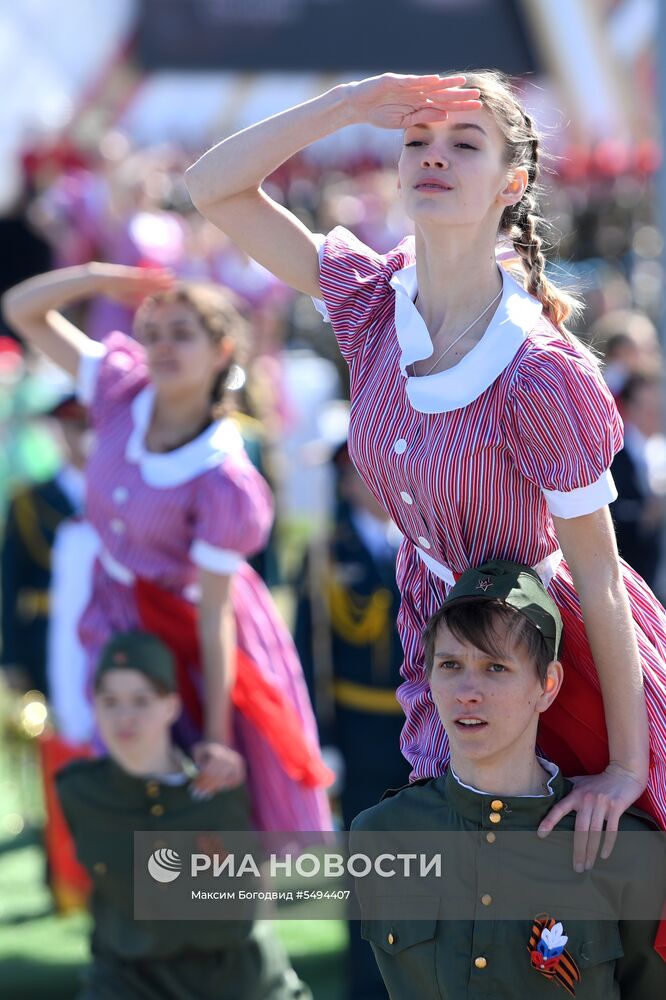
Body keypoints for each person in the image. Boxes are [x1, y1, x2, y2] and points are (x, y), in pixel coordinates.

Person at [184, 71, 666, 863]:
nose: (433, 157)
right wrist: (346, 104)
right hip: (439, 651)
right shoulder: (376, 301)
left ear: (513, 181)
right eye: (417, 142)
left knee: (565, 941)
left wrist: (623, 766)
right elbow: (212, 188)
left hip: (550, 659)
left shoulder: (540, 370)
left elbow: (601, 576)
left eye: (463, 144)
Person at [2, 265, 332, 832]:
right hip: (112, 608)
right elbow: (22, 309)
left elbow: (213, 615)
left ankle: (227, 916)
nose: (161, 347)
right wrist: (101, 277)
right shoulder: (120, 385)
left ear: (221, 350)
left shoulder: (223, 476)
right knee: (124, 790)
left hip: (190, 623)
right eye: (153, 333)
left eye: (182, 334)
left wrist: (217, 735)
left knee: (206, 802)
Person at [351, 560, 665, 999]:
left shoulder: (625, 850)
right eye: (450, 665)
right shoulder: (382, 835)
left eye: (495, 667)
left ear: (548, 685)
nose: (467, 691)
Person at [56, 629, 311, 1000]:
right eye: (110, 701)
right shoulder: (79, 791)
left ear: (171, 706)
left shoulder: (220, 789)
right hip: (129, 980)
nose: (124, 716)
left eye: (141, 700)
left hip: (232, 978)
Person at [294, 440, 409, 1000]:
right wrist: (323, 740)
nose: (373, 483)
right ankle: (367, 982)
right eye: (362, 474)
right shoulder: (322, 556)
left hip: (424, 733)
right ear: (345, 483)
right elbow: (307, 659)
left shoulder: (424, 543)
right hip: (361, 732)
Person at [1, 393, 89, 697]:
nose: (85, 435)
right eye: (76, 425)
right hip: (44, 636)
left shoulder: (126, 497)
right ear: (60, 430)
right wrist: (10, 657)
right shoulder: (28, 501)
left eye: (92, 425)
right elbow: (10, 583)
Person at [610, 373, 666, 592]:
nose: (654, 414)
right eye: (647, 407)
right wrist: (643, 513)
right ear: (630, 408)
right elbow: (611, 509)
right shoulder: (615, 453)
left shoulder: (659, 448)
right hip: (631, 568)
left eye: (656, 407)